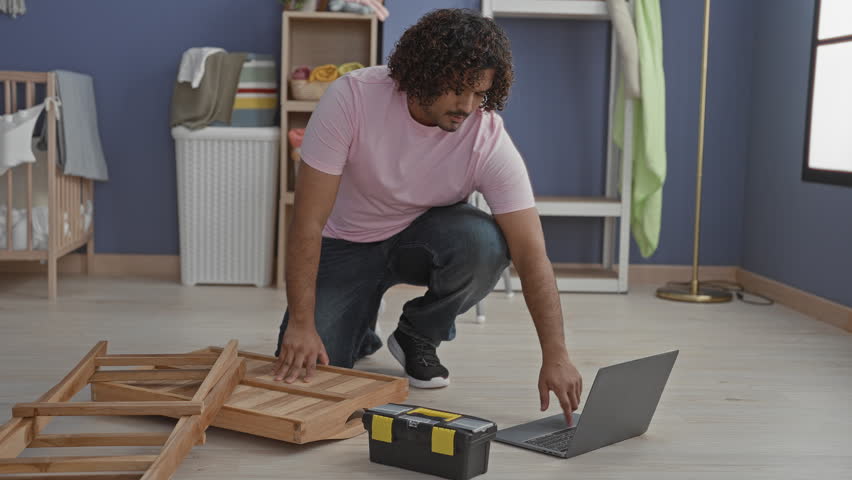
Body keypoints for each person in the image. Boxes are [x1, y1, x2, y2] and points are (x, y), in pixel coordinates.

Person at [272, 8, 583, 423]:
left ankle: (417, 334)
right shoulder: (352, 98)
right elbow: (306, 223)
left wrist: (556, 355)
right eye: (457, 90)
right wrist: (301, 323)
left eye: (479, 93)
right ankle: (358, 324)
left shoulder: (485, 138)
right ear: (422, 72)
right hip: (343, 242)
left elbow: (531, 254)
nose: (467, 106)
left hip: (418, 239)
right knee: (309, 375)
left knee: (487, 244)